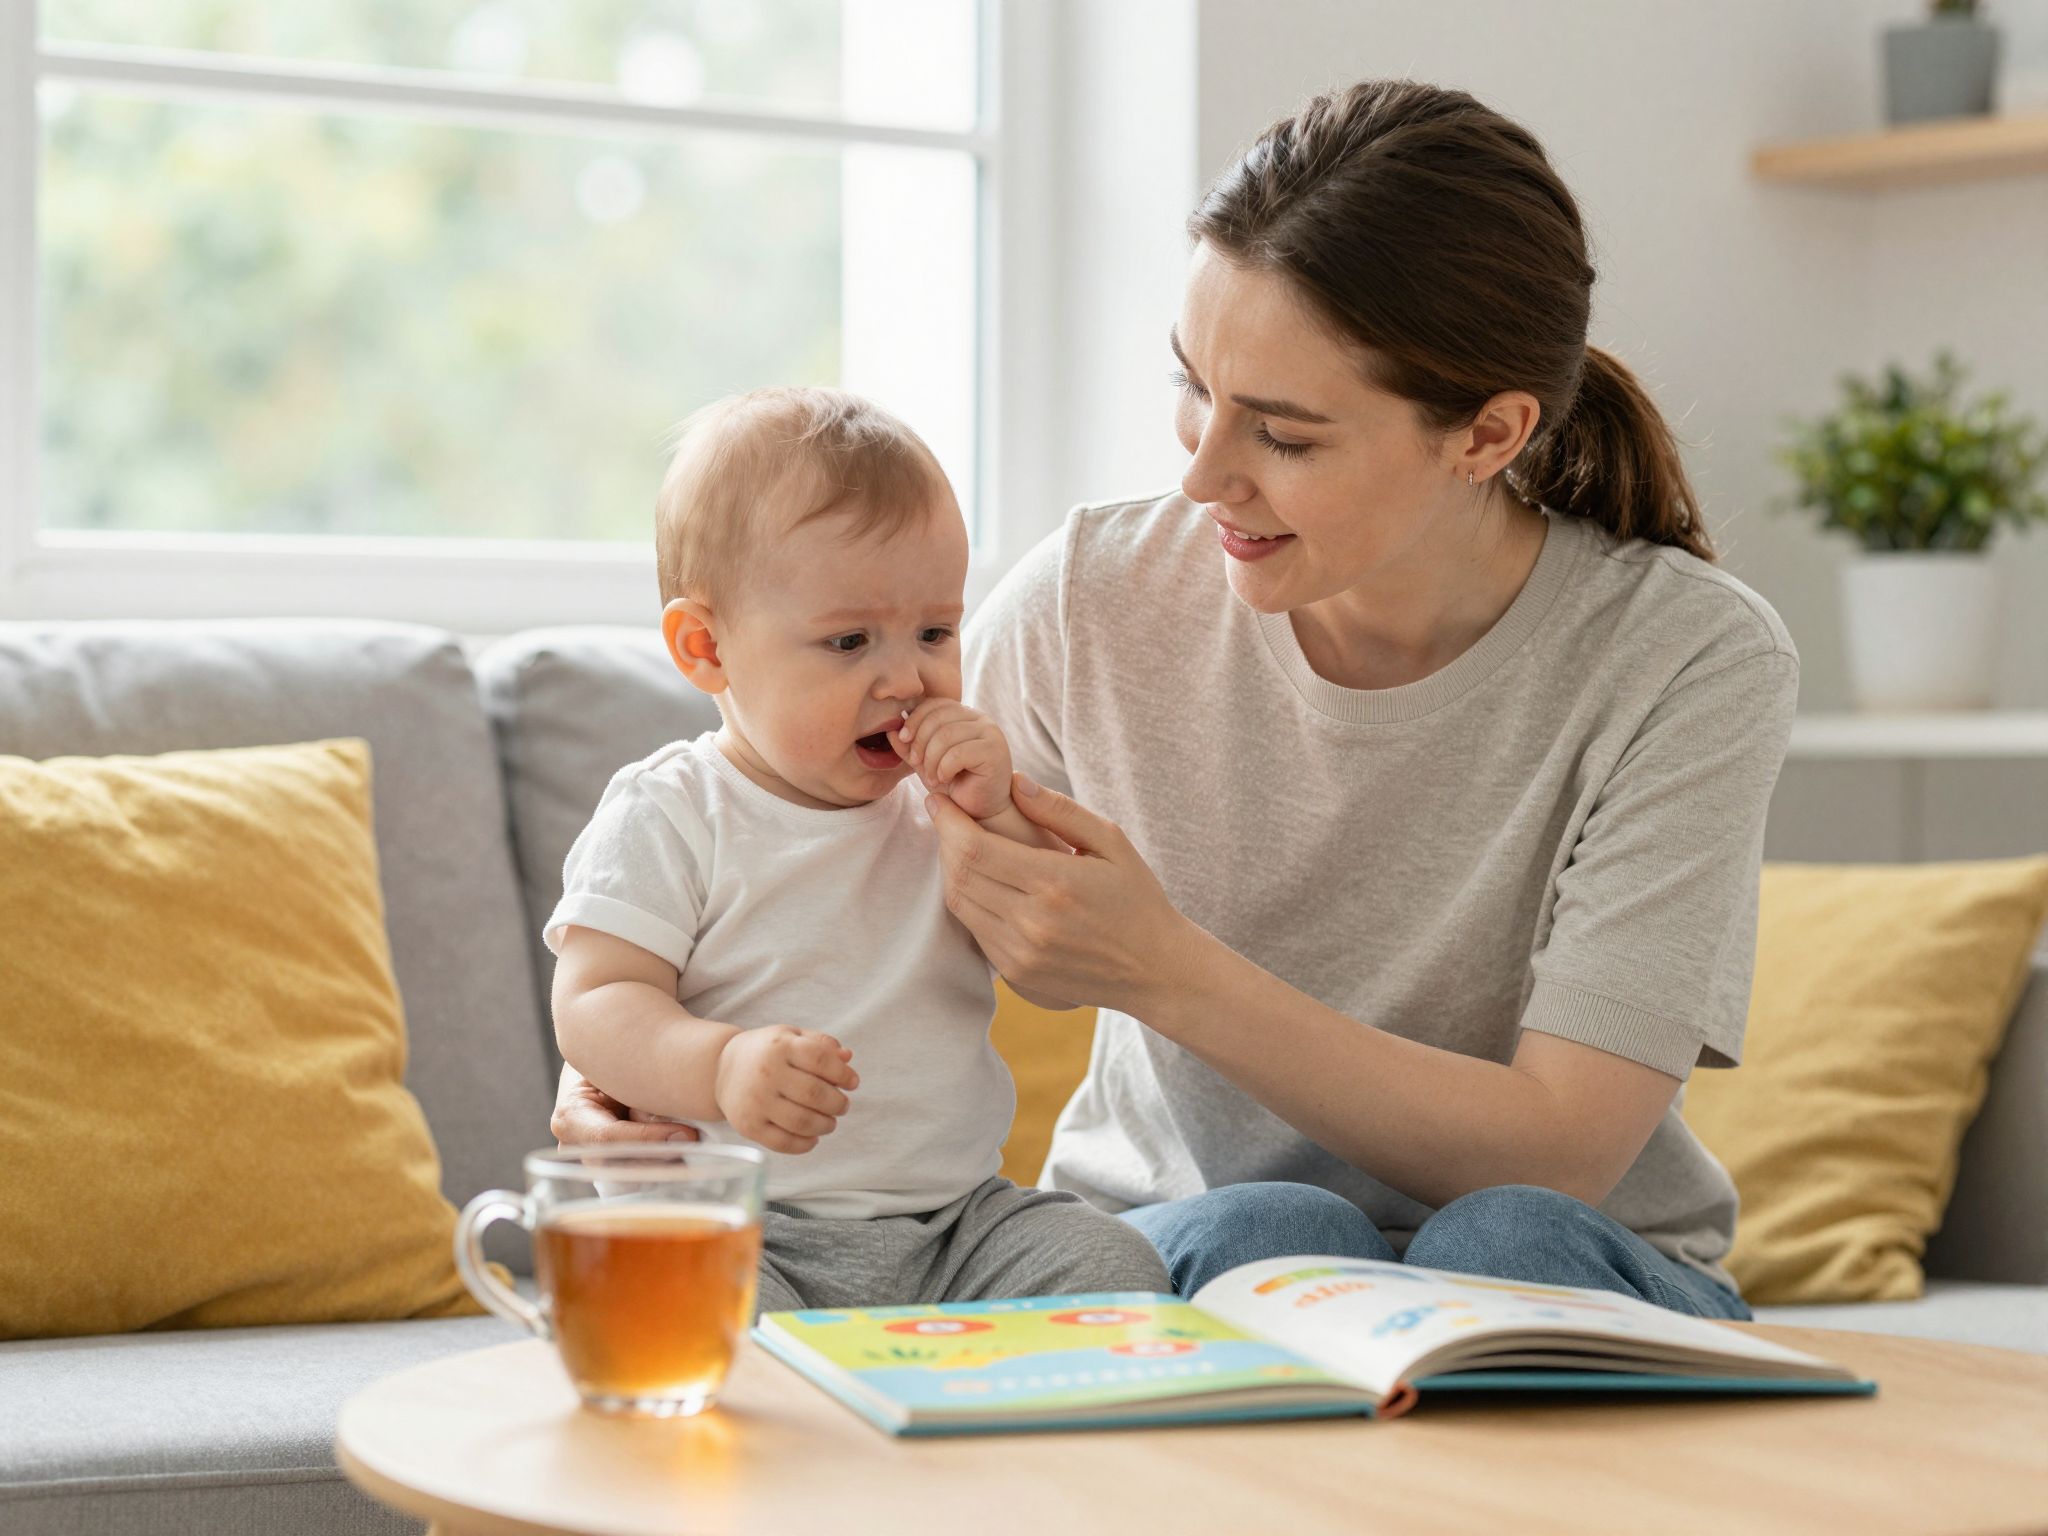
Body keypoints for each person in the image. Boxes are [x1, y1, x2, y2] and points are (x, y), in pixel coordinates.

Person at [554, 80, 1797, 1320]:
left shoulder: (1682, 658)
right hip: (1202, 1244)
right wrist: (637, 1091)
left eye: (1284, 436)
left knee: (1509, 1240)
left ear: (1485, 435)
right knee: (1273, 1228)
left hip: (1559, 1262)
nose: (1199, 475)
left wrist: (1165, 971)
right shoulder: (1089, 600)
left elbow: (1563, 1150)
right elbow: (808, 831)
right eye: (1192, 386)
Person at [546, 386, 1169, 1313]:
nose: (907, 675)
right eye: (848, 641)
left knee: (1115, 1271)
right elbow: (595, 1001)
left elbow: (1055, 977)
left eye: (935, 631)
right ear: (705, 647)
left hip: (956, 1226)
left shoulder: (945, 807)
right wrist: (716, 1065)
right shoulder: (674, 811)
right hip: (735, 1222)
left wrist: (999, 816)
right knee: (691, 1316)